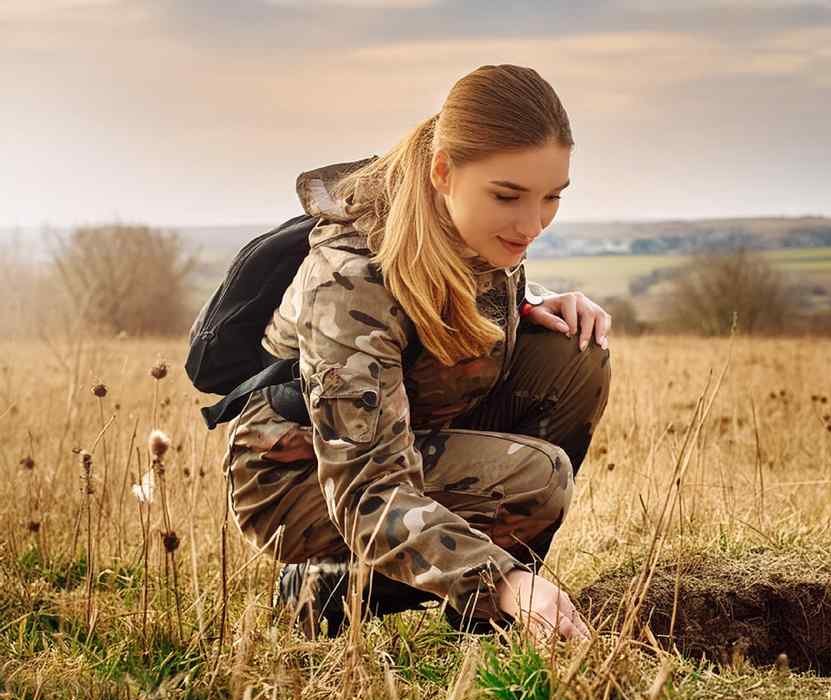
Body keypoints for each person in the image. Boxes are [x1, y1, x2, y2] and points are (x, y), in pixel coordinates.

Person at [222, 64, 611, 641]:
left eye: (551, 197)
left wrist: (532, 301)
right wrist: (501, 579)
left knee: (574, 355)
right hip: (301, 479)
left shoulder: (467, 222)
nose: (533, 225)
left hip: (409, 429)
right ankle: (330, 587)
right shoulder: (351, 276)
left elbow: (452, 288)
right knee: (536, 478)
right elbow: (366, 489)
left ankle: (494, 607)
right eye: (508, 196)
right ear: (443, 172)